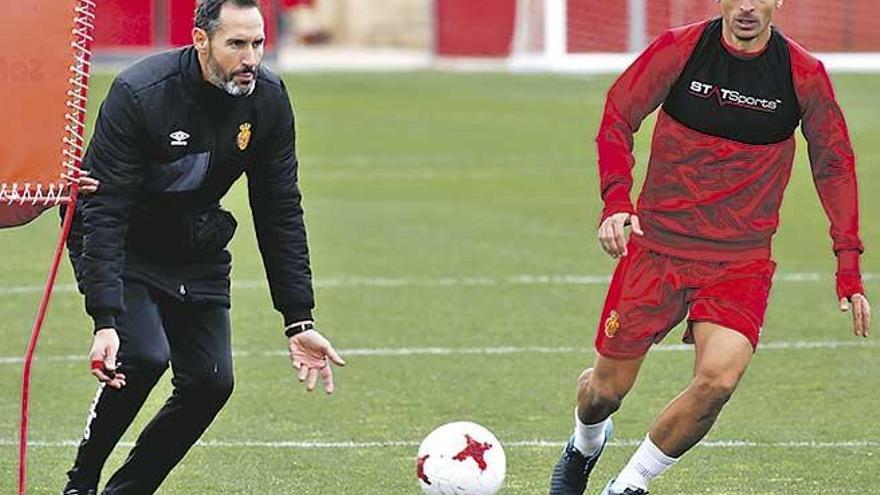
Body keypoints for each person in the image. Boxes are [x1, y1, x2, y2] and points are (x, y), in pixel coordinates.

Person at [549, 1, 871, 494]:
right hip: (656, 249)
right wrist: (616, 200)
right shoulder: (680, 50)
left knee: (719, 380)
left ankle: (629, 485)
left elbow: (834, 163)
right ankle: (585, 442)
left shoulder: (802, 74)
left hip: (739, 260)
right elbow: (618, 113)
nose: (746, 6)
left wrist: (847, 264)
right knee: (605, 392)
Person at [60, 1, 345, 493]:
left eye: (257, 43)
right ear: (199, 41)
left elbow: (279, 209)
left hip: (194, 242)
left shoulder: (269, 100)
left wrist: (298, 318)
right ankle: (81, 482)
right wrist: (105, 318)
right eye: (236, 44)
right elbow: (104, 210)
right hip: (121, 237)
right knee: (144, 355)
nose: (251, 57)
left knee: (211, 382)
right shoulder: (140, 93)